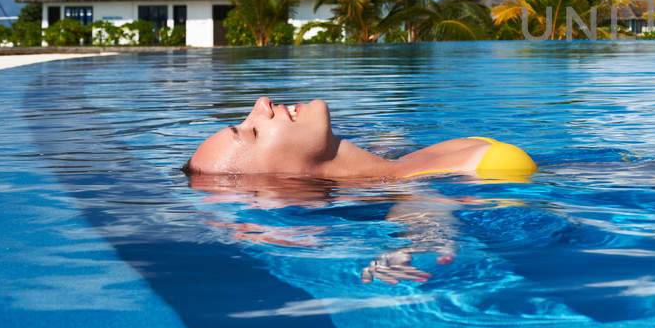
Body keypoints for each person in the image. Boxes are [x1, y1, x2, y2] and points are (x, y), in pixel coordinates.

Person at [184, 96, 537, 182]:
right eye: (253, 131)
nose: (262, 104)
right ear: (285, 179)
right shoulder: (425, 188)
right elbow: (423, 214)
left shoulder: (402, 164)